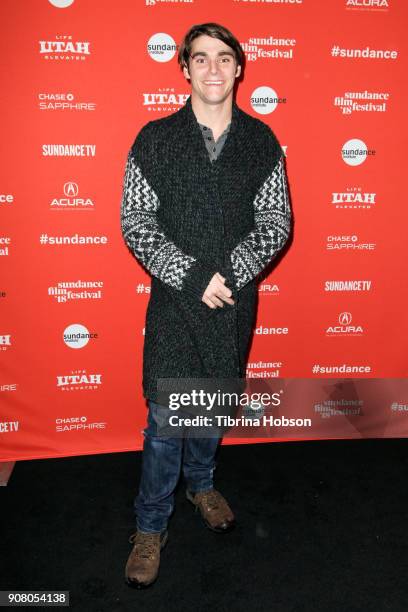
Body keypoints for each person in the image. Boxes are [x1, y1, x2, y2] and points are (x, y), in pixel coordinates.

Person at [120, 22, 292, 588]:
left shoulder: (261, 141)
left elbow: (276, 224)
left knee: (214, 405)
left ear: (239, 69)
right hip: (174, 304)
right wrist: (193, 276)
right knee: (167, 420)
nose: (213, 69)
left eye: (224, 59)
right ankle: (150, 526)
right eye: (201, 59)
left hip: (232, 304)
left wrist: (232, 274)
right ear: (185, 69)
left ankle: (202, 485)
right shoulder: (154, 138)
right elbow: (136, 222)